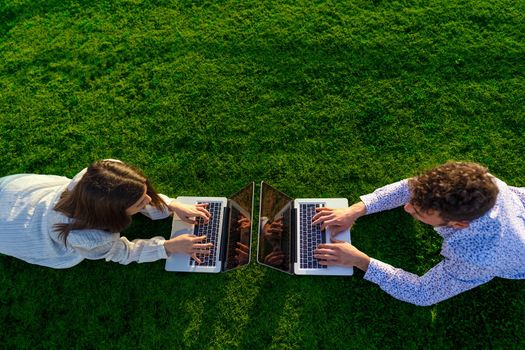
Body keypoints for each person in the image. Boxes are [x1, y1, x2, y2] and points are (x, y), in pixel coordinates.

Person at [312, 162, 525, 306]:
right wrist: (356, 210)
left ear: (458, 224)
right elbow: (410, 187)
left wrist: (360, 261)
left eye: (419, 212)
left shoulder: (476, 257)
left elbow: (422, 293)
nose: (407, 208)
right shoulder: (480, 182)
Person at [0, 159, 213, 268]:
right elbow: (123, 252)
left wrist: (171, 205)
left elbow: (134, 194)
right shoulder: (88, 238)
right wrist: (169, 247)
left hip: (14, 192)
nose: (149, 200)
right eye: (140, 203)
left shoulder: (107, 171)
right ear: (111, 214)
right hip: (15, 229)